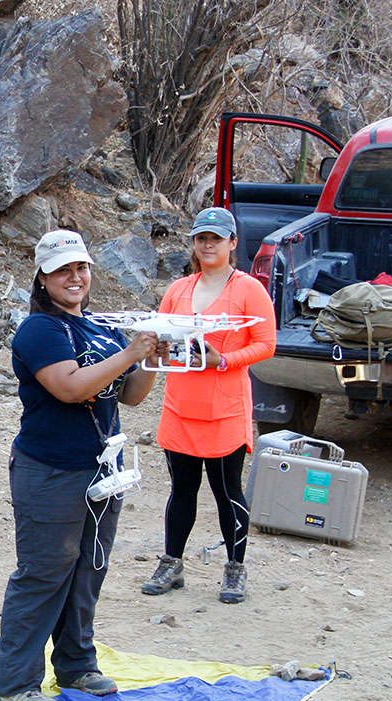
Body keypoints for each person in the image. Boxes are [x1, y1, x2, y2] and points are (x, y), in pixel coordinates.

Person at [0, 229, 160, 701]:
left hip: (102, 469)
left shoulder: (101, 329)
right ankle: (14, 682)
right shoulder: (38, 330)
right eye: (63, 270)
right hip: (50, 471)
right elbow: (68, 388)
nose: (75, 277)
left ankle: (75, 663)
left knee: (88, 568)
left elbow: (130, 396)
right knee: (44, 573)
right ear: (43, 278)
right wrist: (131, 353)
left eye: (81, 268)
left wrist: (150, 358)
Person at [141, 207, 277, 604]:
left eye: (217, 238)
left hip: (224, 408)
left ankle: (235, 570)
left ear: (233, 243)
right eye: (202, 238)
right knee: (181, 489)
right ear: (194, 244)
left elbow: (267, 344)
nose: (208, 245)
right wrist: (157, 350)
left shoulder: (249, 289)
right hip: (181, 405)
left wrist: (225, 360)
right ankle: (172, 563)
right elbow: (161, 336)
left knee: (226, 490)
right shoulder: (179, 288)